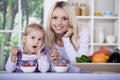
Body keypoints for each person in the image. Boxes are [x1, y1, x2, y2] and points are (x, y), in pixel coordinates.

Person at [45, 1, 89, 72]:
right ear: (50, 19)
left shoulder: (82, 33)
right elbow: (46, 69)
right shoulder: (46, 37)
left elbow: (80, 66)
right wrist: (56, 64)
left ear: (71, 20)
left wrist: (66, 39)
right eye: (55, 17)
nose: (59, 23)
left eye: (64, 18)